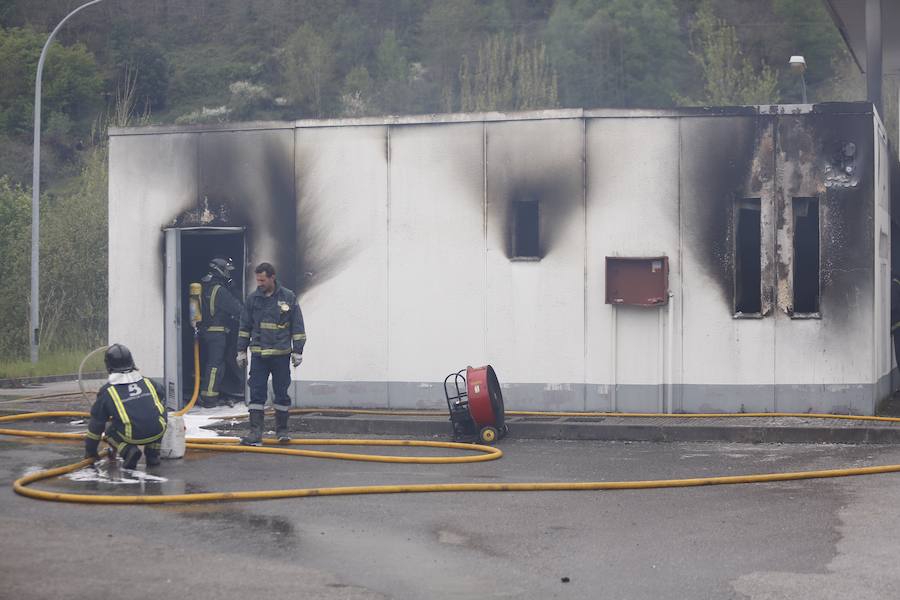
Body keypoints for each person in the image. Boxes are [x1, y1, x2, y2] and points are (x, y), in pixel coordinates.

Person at [236, 262, 306, 446]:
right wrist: (241, 350)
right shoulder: (252, 300)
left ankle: (282, 431)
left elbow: (297, 326)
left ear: (272, 277)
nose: (259, 283)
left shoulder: (288, 297)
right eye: (257, 280)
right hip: (259, 356)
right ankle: (255, 433)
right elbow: (244, 327)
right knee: (257, 393)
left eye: (262, 280)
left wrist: (298, 350)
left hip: (281, 355)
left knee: (281, 393)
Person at [85, 344, 168, 470]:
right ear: (132, 362)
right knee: (160, 413)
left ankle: (128, 451)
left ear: (108, 366)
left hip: (132, 435)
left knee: (108, 429)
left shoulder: (107, 391)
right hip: (158, 431)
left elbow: (96, 426)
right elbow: (161, 393)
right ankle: (153, 455)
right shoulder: (148, 382)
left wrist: (90, 452)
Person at [199, 257, 243, 408]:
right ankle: (209, 398)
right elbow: (237, 308)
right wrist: (235, 289)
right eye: (226, 270)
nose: (228, 274)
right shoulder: (220, 290)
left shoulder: (205, 285)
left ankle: (209, 394)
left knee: (214, 364)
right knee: (215, 365)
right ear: (220, 270)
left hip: (208, 332)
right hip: (217, 333)